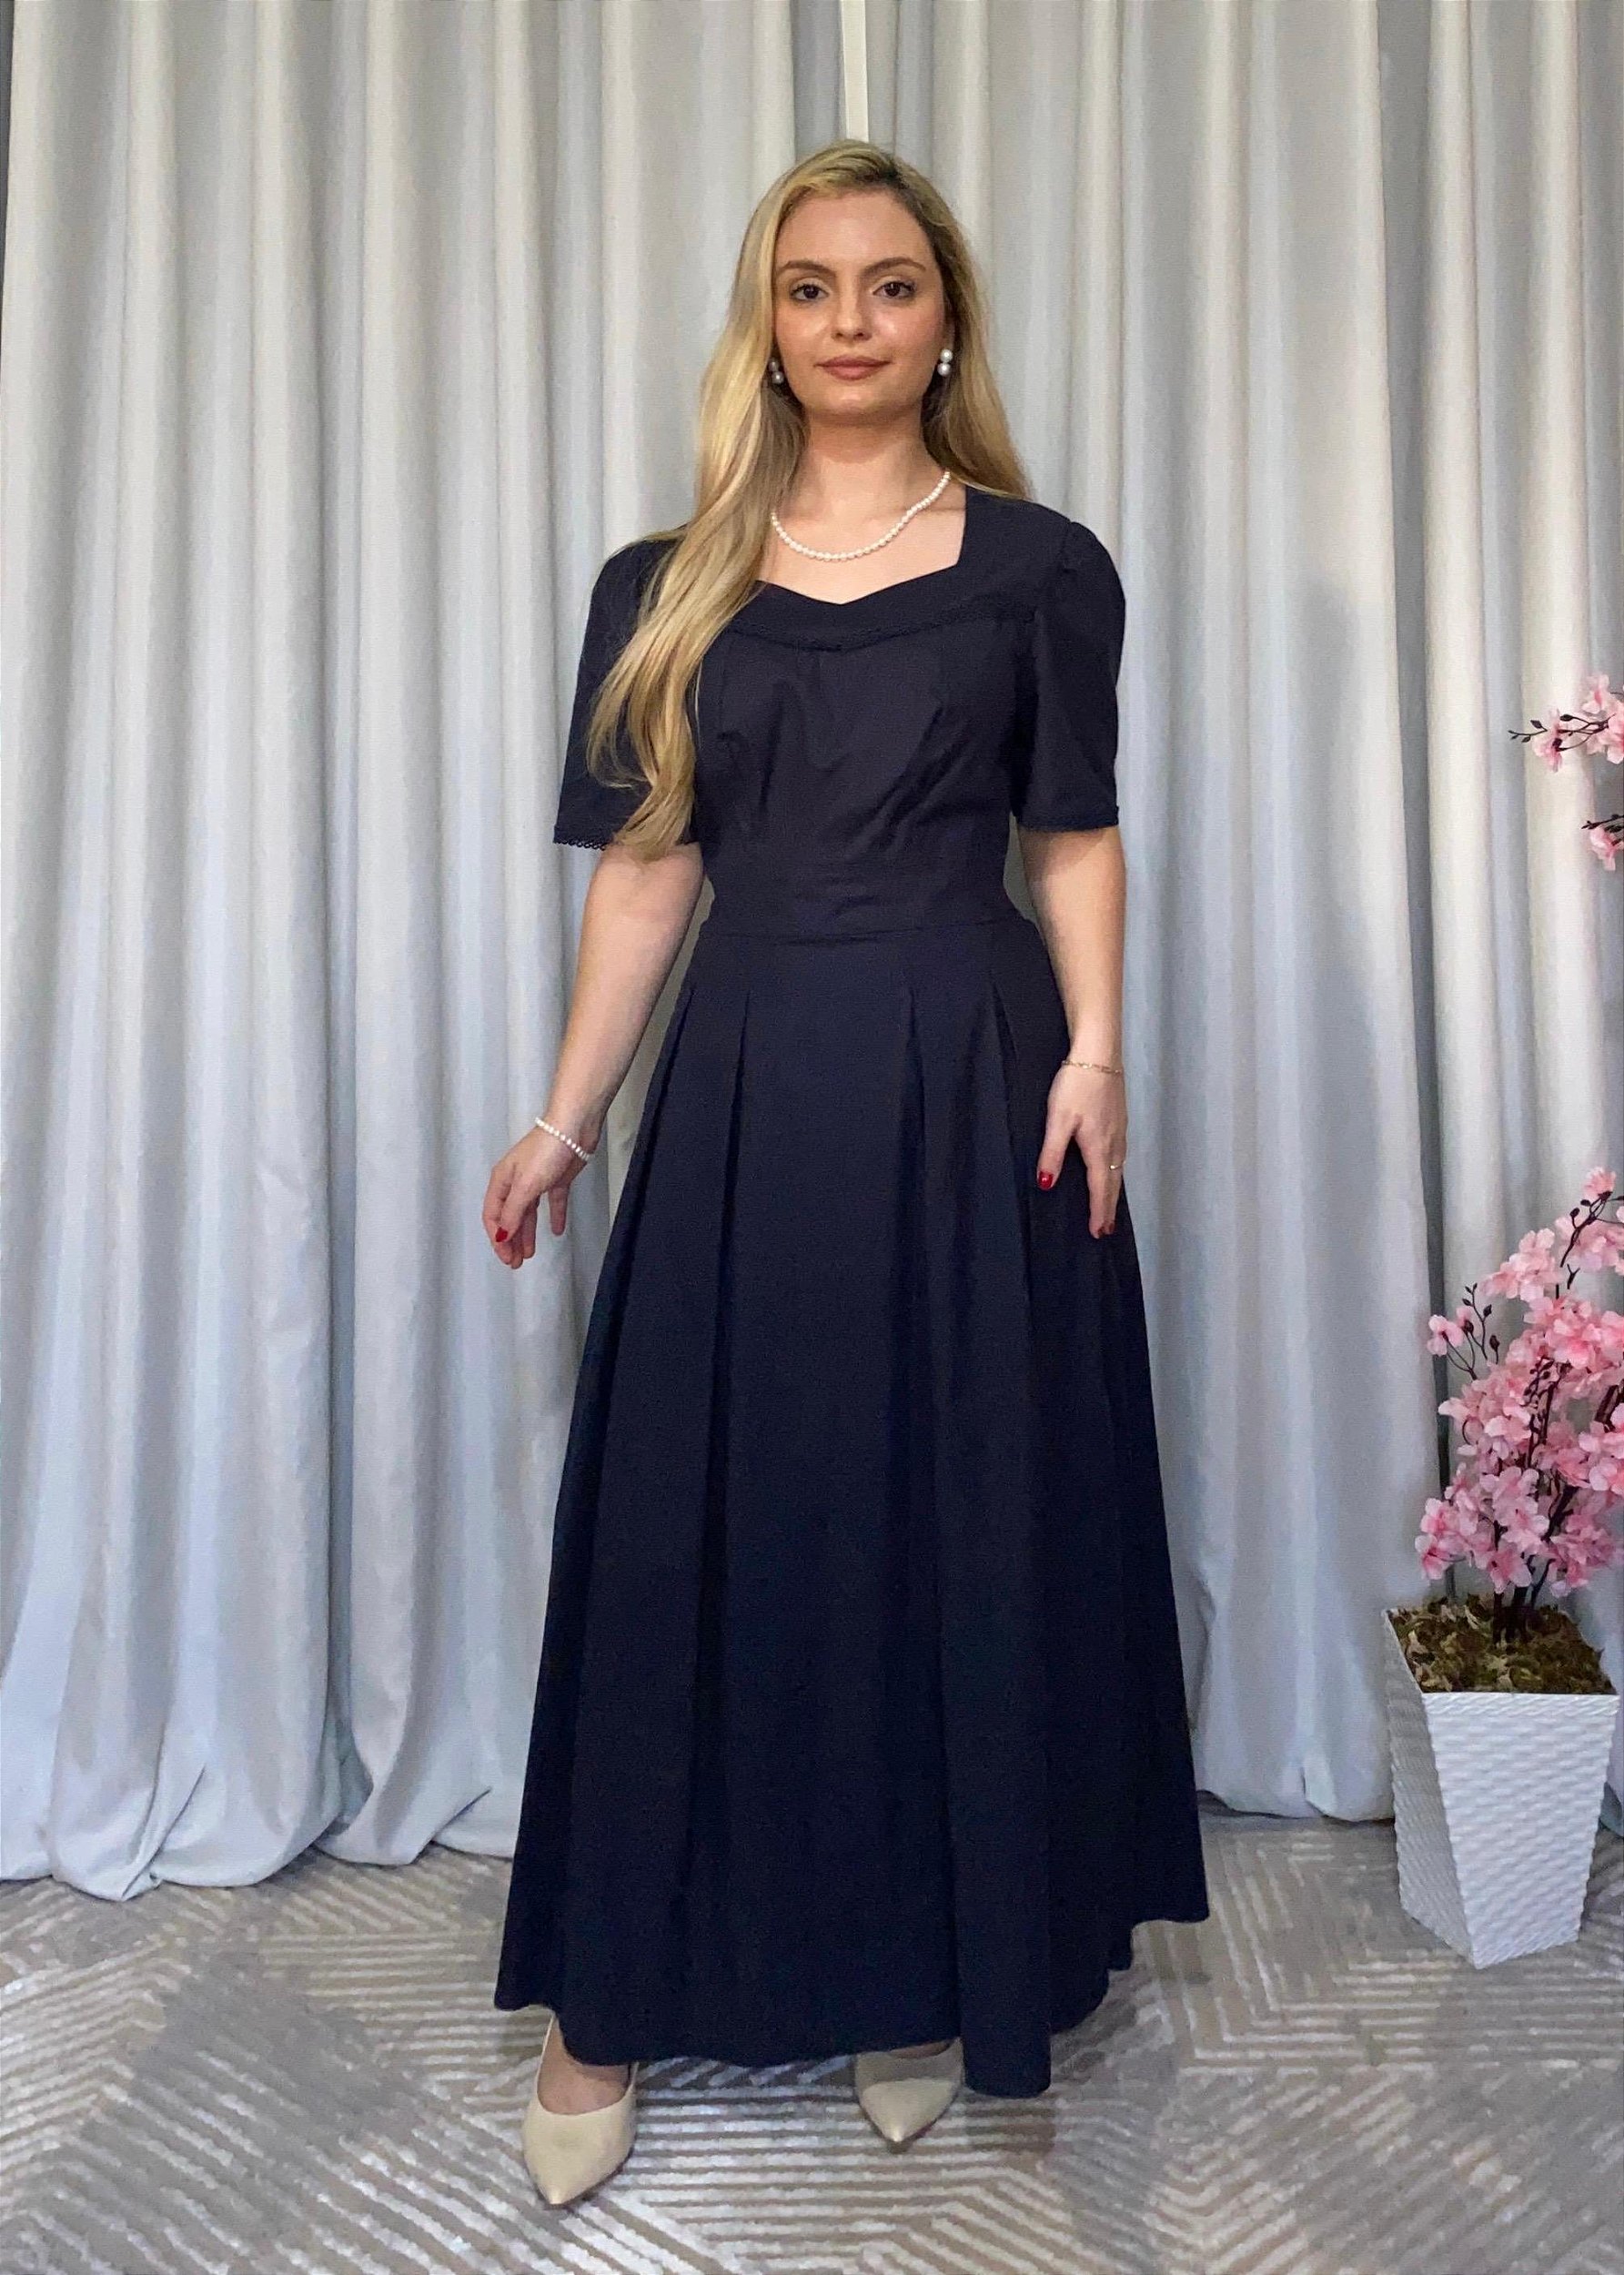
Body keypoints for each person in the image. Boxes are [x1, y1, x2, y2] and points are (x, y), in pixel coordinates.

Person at [482, 138, 1210, 2209]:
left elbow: (1071, 831)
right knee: (707, 1525)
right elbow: (648, 874)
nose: (850, 322)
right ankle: (604, 2006)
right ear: (768, 324)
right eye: (809, 289)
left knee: (942, 1518)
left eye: (889, 285)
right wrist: (564, 1113)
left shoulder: (1040, 567)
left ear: (944, 315)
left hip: (976, 1078)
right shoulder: (663, 583)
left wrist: (1095, 1051)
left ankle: (920, 1969)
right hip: (744, 1092)